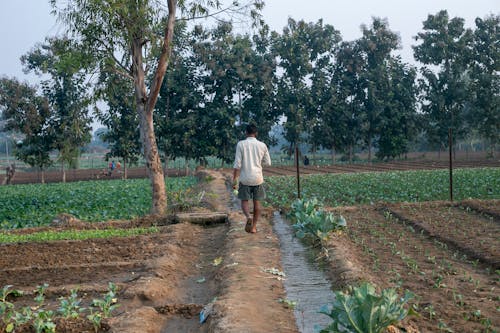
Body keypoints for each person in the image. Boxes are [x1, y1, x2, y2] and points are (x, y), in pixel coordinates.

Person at [232, 124, 271, 233]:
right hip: (258, 178)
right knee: (257, 203)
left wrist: (234, 180)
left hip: (245, 179)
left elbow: (237, 165)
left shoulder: (241, 144)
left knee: (244, 201)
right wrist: (259, 163)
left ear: (246, 132)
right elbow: (268, 162)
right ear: (256, 133)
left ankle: (248, 216)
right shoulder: (262, 145)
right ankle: (253, 227)